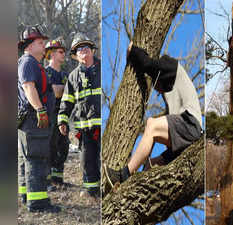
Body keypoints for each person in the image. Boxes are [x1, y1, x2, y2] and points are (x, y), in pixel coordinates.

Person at [104, 43, 202, 188]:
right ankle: (130, 188)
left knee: (152, 124)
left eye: (156, 85)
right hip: (184, 138)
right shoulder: (172, 100)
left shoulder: (171, 66)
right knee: (150, 165)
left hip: (190, 125)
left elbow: (148, 64)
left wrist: (133, 50)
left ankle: (122, 175)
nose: (157, 90)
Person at [17, 25, 60, 213]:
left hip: (30, 119)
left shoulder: (32, 63)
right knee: (36, 158)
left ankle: (27, 195)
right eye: (41, 43)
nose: (44, 47)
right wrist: (41, 110)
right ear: (29, 45)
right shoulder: (28, 62)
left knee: (27, 158)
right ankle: (38, 202)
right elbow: (28, 87)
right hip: (34, 119)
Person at [57, 33, 101, 198]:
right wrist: (62, 120)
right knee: (87, 160)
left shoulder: (102, 69)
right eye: (79, 49)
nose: (83, 51)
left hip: (103, 125)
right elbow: (66, 101)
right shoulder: (73, 76)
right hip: (84, 127)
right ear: (76, 56)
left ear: (92, 51)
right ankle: (92, 191)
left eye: (86, 48)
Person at [44, 38, 70, 186]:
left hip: (63, 114)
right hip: (50, 115)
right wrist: (65, 89)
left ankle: (58, 178)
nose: (63, 54)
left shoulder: (65, 75)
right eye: (60, 52)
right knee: (50, 146)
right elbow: (55, 92)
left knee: (63, 146)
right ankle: (47, 179)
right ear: (52, 54)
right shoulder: (46, 73)